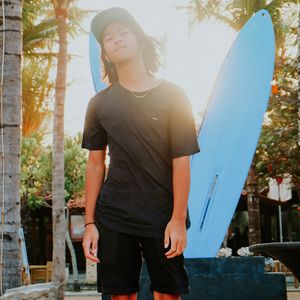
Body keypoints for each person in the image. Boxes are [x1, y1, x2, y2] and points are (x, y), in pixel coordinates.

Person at [81, 7, 201, 300]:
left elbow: (181, 161)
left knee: (167, 294)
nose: (117, 39)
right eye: (109, 37)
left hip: (162, 215)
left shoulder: (175, 96)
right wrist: (89, 224)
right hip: (114, 214)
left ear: (140, 40)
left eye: (124, 32)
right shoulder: (99, 104)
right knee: (121, 295)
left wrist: (177, 218)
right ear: (106, 54)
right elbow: (96, 165)